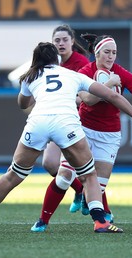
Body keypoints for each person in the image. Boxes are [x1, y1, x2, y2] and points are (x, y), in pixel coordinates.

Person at [0, 42, 132, 233]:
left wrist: (30, 86)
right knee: (88, 175)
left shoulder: (30, 77)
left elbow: (22, 104)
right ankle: (100, 222)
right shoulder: (73, 75)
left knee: (14, 174)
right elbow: (113, 97)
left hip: (38, 123)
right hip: (66, 124)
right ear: (56, 59)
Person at [30, 34, 132, 232]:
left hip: (109, 135)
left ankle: (98, 218)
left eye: (114, 53)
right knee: (64, 175)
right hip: (82, 130)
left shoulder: (121, 73)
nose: (111, 57)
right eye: (107, 52)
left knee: (98, 186)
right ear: (97, 53)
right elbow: (88, 99)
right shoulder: (86, 71)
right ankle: (43, 221)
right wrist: (110, 84)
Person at [41, 24, 90, 214]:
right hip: (56, 119)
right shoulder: (51, 63)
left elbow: (86, 96)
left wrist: (63, 98)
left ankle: (102, 213)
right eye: (57, 40)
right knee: (49, 163)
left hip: (77, 120)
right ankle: (80, 191)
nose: (61, 43)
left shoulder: (80, 63)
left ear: (72, 42)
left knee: (86, 168)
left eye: (64, 40)